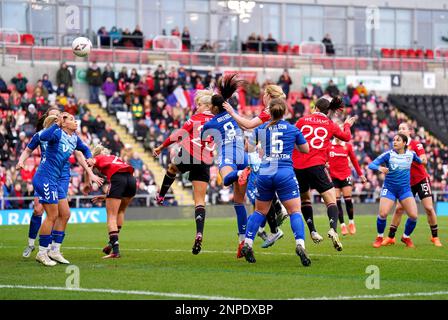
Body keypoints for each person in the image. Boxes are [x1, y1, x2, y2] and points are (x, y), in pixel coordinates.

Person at [240, 98, 311, 266]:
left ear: (269, 112)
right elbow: (305, 149)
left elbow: (247, 149)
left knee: (259, 212)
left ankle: (248, 243)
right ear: (284, 111)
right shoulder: (293, 129)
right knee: (294, 212)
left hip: (265, 173)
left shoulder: (261, 128)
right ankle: (300, 245)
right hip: (285, 172)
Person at [153, 89, 215, 254]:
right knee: (200, 201)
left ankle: (161, 195)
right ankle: (199, 232)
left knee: (172, 168)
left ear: (207, 106)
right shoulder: (218, 120)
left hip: (190, 153)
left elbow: (178, 135)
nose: (196, 107)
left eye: (199, 104)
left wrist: (161, 147)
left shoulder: (196, 118)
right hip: (205, 160)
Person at [293, 96, 356, 251]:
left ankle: (313, 231)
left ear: (315, 108)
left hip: (298, 166)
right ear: (328, 111)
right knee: (331, 200)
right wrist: (347, 124)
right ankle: (333, 229)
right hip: (316, 165)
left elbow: (292, 135)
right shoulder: (330, 124)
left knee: (305, 199)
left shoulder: (302, 120)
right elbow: (346, 137)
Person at [32, 113, 95, 266]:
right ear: (64, 123)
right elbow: (44, 137)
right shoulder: (56, 133)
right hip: (45, 177)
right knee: (52, 215)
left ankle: (55, 250)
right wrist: (56, 124)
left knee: (65, 214)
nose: (75, 122)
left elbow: (85, 148)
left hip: (56, 179)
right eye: (72, 120)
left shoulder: (74, 137)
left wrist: (90, 157)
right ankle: (42, 253)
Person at [201, 74, 249, 258]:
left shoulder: (210, 123)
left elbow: (204, 137)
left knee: (227, 180)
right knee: (239, 202)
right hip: (242, 156)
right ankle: (242, 243)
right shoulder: (232, 112)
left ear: (213, 107)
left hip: (228, 155)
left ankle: (238, 174)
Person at [382, 123, 442, 247]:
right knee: (399, 209)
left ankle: (435, 237)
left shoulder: (416, 144)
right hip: (406, 182)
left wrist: (420, 159)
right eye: (399, 129)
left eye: (403, 128)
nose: (401, 130)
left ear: (410, 131)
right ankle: (391, 237)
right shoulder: (397, 147)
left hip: (420, 179)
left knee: (429, 208)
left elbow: (423, 159)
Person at [368, 134, 422, 248]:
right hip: (390, 189)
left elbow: (420, 161)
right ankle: (379, 237)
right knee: (383, 214)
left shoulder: (411, 154)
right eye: (394, 140)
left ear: (404, 143)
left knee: (413, 216)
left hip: (405, 190)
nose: (395, 142)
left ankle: (406, 237)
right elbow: (371, 165)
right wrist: (380, 168)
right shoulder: (388, 154)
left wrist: (422, 158)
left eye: (398, 140)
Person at [87, 145, 136, 259]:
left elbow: (90, 162)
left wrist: (88, 177)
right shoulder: (114, 157)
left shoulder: (99, 158)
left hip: (118, 179)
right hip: (131, 180)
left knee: (111, 217)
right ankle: (111, 243)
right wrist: (106, 196)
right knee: (121, 211)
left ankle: (115, 251)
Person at [328, 134, 366, 235]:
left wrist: (360, 174)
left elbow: (354, 160)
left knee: (348, 200)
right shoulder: (329, 146)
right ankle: (343, 225)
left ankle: (351, 222)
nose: (338, 136)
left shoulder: (347, 146)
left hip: (345, 175)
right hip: (334, 177)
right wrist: (325, 163)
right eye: (336, 134)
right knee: (337, 202)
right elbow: (324, 158)